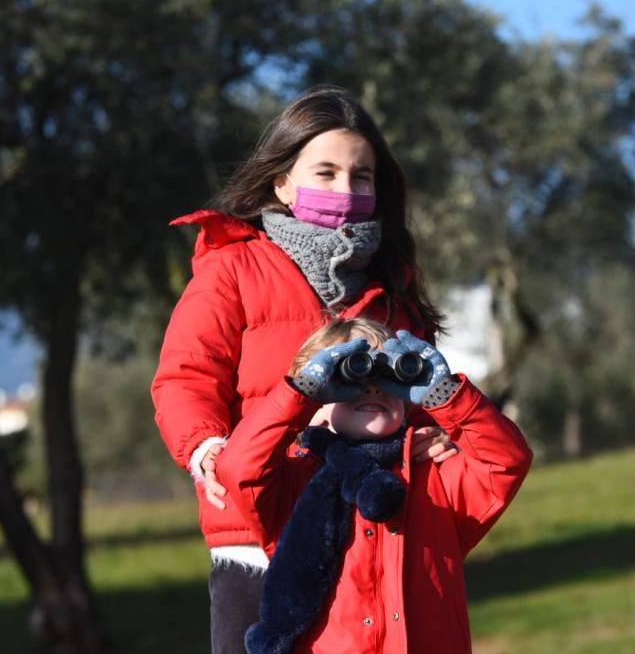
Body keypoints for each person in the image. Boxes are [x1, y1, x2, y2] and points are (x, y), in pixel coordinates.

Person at [150, 86, 456, 653]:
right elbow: (185, 377)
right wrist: (204, 447)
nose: (345, 190)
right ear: (282, 182)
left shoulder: (395, 292)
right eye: (326, 172)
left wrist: (433, 436)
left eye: (361, 176)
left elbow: (420, 401)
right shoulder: (231, 269)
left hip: (367, 533)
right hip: (255, 533)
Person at [215, 318, 534, 654]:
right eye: (348, 376)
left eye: (387, 376)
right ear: (314, 406)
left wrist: (447, 395)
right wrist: (300, 394)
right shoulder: (294, 484)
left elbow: (507, 460)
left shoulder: (437, 479)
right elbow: (238, 466)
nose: (372, 388)